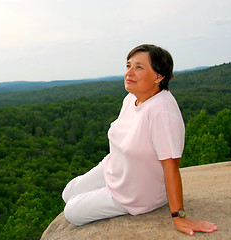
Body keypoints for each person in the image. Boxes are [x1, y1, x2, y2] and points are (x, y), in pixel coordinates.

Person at [62, 44, 218, 236]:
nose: (129, 72)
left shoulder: (161, 111)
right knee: (68, 193)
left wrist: (179, 216)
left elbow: (171, 165)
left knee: (71, 212)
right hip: (116, 168)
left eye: (139, 67)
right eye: (128, 66)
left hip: (136, 191)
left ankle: (118, 197)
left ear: (159, 77)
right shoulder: (131, 98)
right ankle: (106, 187)